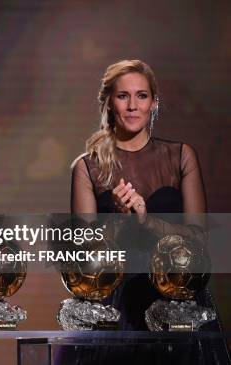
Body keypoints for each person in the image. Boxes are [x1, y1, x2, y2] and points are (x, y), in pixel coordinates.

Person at [69, 60, 229, 364]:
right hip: (114, 306)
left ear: (154, 103)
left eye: (141, 96)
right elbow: (81, 254)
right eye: (122, 96)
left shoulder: (181, 156)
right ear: (108, 103)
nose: (132, 106)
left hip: (177, 299)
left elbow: (201, 244)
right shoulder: (87, 167)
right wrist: (117, 221)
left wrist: (147, 221)